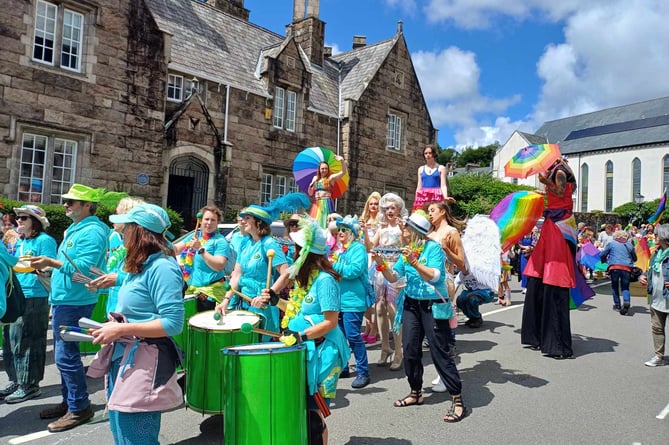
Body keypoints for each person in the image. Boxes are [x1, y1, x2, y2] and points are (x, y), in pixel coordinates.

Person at [90, 203, 185, 444]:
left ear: (140, 231)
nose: (120, 232)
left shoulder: (163, 267)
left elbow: (173, 323)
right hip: (124, 356)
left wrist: (121, 329)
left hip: (145, 359)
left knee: (136, 437)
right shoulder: (143, 264)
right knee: (121, 431)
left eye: (125, 228)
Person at [371, 210, 469, 423]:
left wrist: (414, 262)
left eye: (404, 227)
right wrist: (381, 263)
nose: (401, 230)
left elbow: (435, 276)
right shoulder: (407, 251)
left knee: (439, 352)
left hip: (432, 305)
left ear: (414, 231)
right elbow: (393, 277)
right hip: (412, 304)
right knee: (411, 350)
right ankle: (416, 392)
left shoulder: (432, 248)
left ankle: (457, 400)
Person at [262, 217, 350, 445]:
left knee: (313, 415)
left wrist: (300, 335)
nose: (293, 252)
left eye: (297, 249)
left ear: (306, 253)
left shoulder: (325, 281)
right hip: (306, 349)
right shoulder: (306, 279)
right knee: (302, 408)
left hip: (325, 353)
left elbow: (330, 322)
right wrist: (276, 301)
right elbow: (298, 311)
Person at [29, 184, 109, 432]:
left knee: (66, 356)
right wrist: (51, 269)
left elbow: (85, 268)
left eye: (72, 201)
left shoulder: (93, 231)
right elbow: (72, 267)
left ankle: (78, 407)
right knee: (65, 357)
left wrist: (52, 262)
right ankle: (70, 403)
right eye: (66, 200)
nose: (65, 204)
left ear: (87, 206)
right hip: (66, 297)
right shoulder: (77, 228)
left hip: (75, 300)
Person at [521, 158, 592, 359]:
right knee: (539, 276)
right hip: (557, 222)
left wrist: (545, 181)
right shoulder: (562, 170)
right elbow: (561, 194)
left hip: (559, 224)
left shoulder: (559, 171)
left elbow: (560, 191)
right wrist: (544, 191)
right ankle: (539, 336)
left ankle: (557, 343)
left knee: (553, 277)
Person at [216, 193, 310, 336]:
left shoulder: (269, 243)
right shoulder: (244, 243)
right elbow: (236, 275)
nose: (243, 220)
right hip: (242, 302)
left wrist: (269, 295)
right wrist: (226, 300)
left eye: (247, 218)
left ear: (258, 221)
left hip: (261, 305)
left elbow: (286, 273)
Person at [0, 205, 57, 404]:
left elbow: (51, 266)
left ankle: (30, 385)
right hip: (16, 294)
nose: (19, 221)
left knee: (29, 340)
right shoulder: (19, 241)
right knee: (11, 340)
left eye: (24, 218)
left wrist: (38, 268)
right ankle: (16, 380)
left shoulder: (45, 240)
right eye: (18, 217)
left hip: (35, 294)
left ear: (36, 222)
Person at [363, 193, 408, 369]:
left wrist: (404, 232)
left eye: (393, 207)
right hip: (380, 271)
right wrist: (366, 232)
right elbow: (370, 248)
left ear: (399, 209)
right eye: (387, 208)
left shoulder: (401, 228)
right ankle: (385, 347)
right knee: (379, 308)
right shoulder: (381, 229)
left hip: (395, 272)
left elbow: (407, 247)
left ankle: (399, 352)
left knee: (393, 311)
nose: (390, 210)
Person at [331, 215, 371, 389]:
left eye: (344, 230)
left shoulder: (358, 249)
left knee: (353, 336)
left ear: (352, 233)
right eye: (339, 229)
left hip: (354, 300)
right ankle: (344, 367)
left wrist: (334, 266)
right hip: (339, 300)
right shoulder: (342, 250)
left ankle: (363, 372)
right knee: (340, 336)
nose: (340, 232)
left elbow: (354, 270)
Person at [89, 197, 146, 316]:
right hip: (114, 312)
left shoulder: (144, 246)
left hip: (133, 317)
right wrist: (99, 285)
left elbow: (147, 280)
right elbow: (113, 279)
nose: (112, 217)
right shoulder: (117, 239)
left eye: (116, 213)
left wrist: (118, 279)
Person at [175, 205, 232, 311]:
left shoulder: (220, 241)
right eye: (206, 219)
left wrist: (200, 249)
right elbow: (176, 249)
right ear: (200, 221)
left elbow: (219, 265)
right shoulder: (195, 236)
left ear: (218, 223)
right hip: (191, 290)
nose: (209, 223)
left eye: (213, 220)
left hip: (210, 294)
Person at [640, 224, 669, 367]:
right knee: (657, 328)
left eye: (656, 235)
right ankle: (659, 356)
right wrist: (643, 276)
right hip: (656, 297)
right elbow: (649, 270)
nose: (654, 237)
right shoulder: (656, 254)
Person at [360, 192, 382, 343]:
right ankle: (369, 325)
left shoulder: (381, 221)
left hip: (375, 257)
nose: (373, 206)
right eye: (371, 203)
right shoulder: (363, 220)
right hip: (364, 257)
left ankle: (375, 328)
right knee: (365, 296)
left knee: (376, 294)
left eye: (376, 204)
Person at [600, 230, 637, 315]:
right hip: (626, 268)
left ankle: (617, 305)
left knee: (614, 286)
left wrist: (604, 260)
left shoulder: (612, 244)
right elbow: (635, 258)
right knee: (625, 287)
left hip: (614, 267)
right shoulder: (629, 245)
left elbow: (603, 254)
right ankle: (626, 301)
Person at [308, 156, 347, 228]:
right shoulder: (315, 178)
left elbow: (343, 172)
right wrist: (311, 185)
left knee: (326, 223)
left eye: (326, 168)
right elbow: (310, 193)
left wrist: (342, 161)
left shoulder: (331, 178)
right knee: (315, 224)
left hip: (326, 203)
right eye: (322, 168)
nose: (324, 170)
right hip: (317, 204)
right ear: (319, 170)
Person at [413, 145, 454, 210]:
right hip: (423, 197)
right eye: (425, 153)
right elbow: (419, 187)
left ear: (434, 154)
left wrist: (445, 197)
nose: (428, 155)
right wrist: (416, 200)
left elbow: (443, 186)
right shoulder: (421, 169)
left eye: (430, 153)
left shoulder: (441, 168)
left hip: (436, 196)